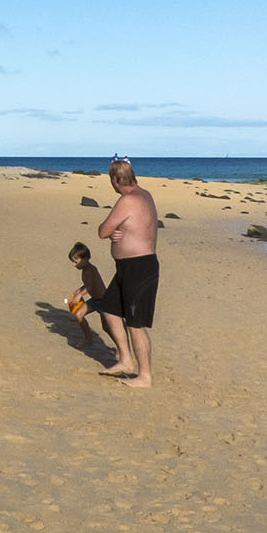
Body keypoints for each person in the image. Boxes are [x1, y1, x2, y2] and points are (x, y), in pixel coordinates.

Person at [96, 156, 160, 387]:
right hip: (128, 267)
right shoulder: (145, 195)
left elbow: (103, 230)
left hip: (139, 267)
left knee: (136, 324)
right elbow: (131, 226)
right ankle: (125, 359)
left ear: (115, 180)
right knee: (109, 310)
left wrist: (111, 231)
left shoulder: (129, 200)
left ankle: (145, 376)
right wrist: (117, 231)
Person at [65, 242, 114, 352]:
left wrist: (80, 295)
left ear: (85, 259)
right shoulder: (84, 270)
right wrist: (78, 291)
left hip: (103, 301)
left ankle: (121, 348)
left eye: (75, 262)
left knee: (107, 327)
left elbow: (91, 286)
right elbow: (87, 284)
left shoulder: (90, 270)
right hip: (94, 300)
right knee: (79, 315)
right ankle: (88, 339)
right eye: (72, 262)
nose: (74, 265)